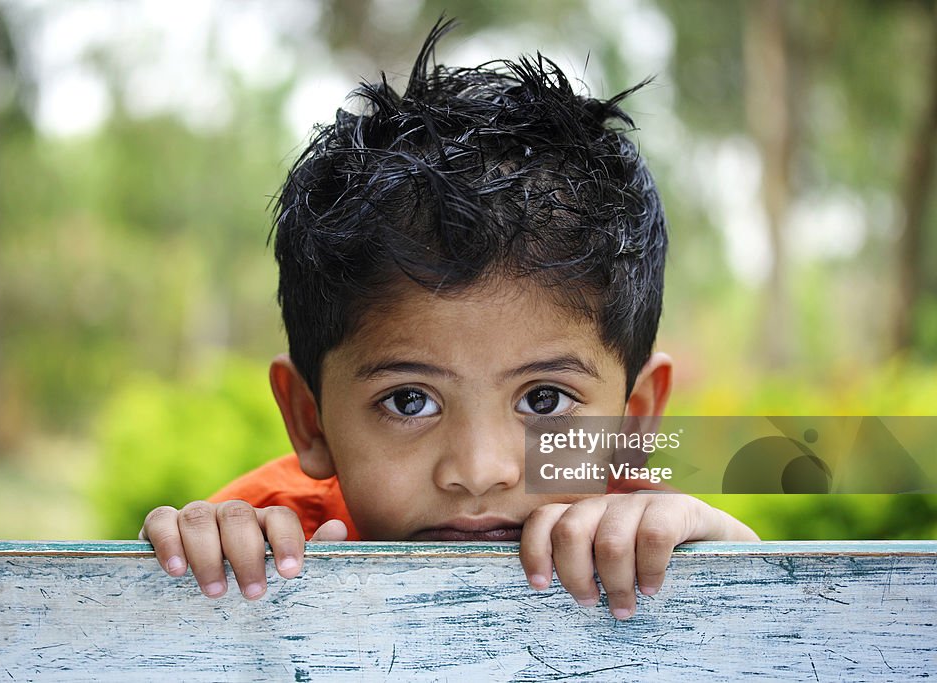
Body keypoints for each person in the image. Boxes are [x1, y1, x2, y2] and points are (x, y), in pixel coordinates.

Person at [140, 19, 759, 621]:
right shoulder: (269, 541)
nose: (480, 470)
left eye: (545, 399)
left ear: (635, 419)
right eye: (409, 401)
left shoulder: (644, 535)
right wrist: (203, 575)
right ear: (311, 420)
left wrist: (725, 550)